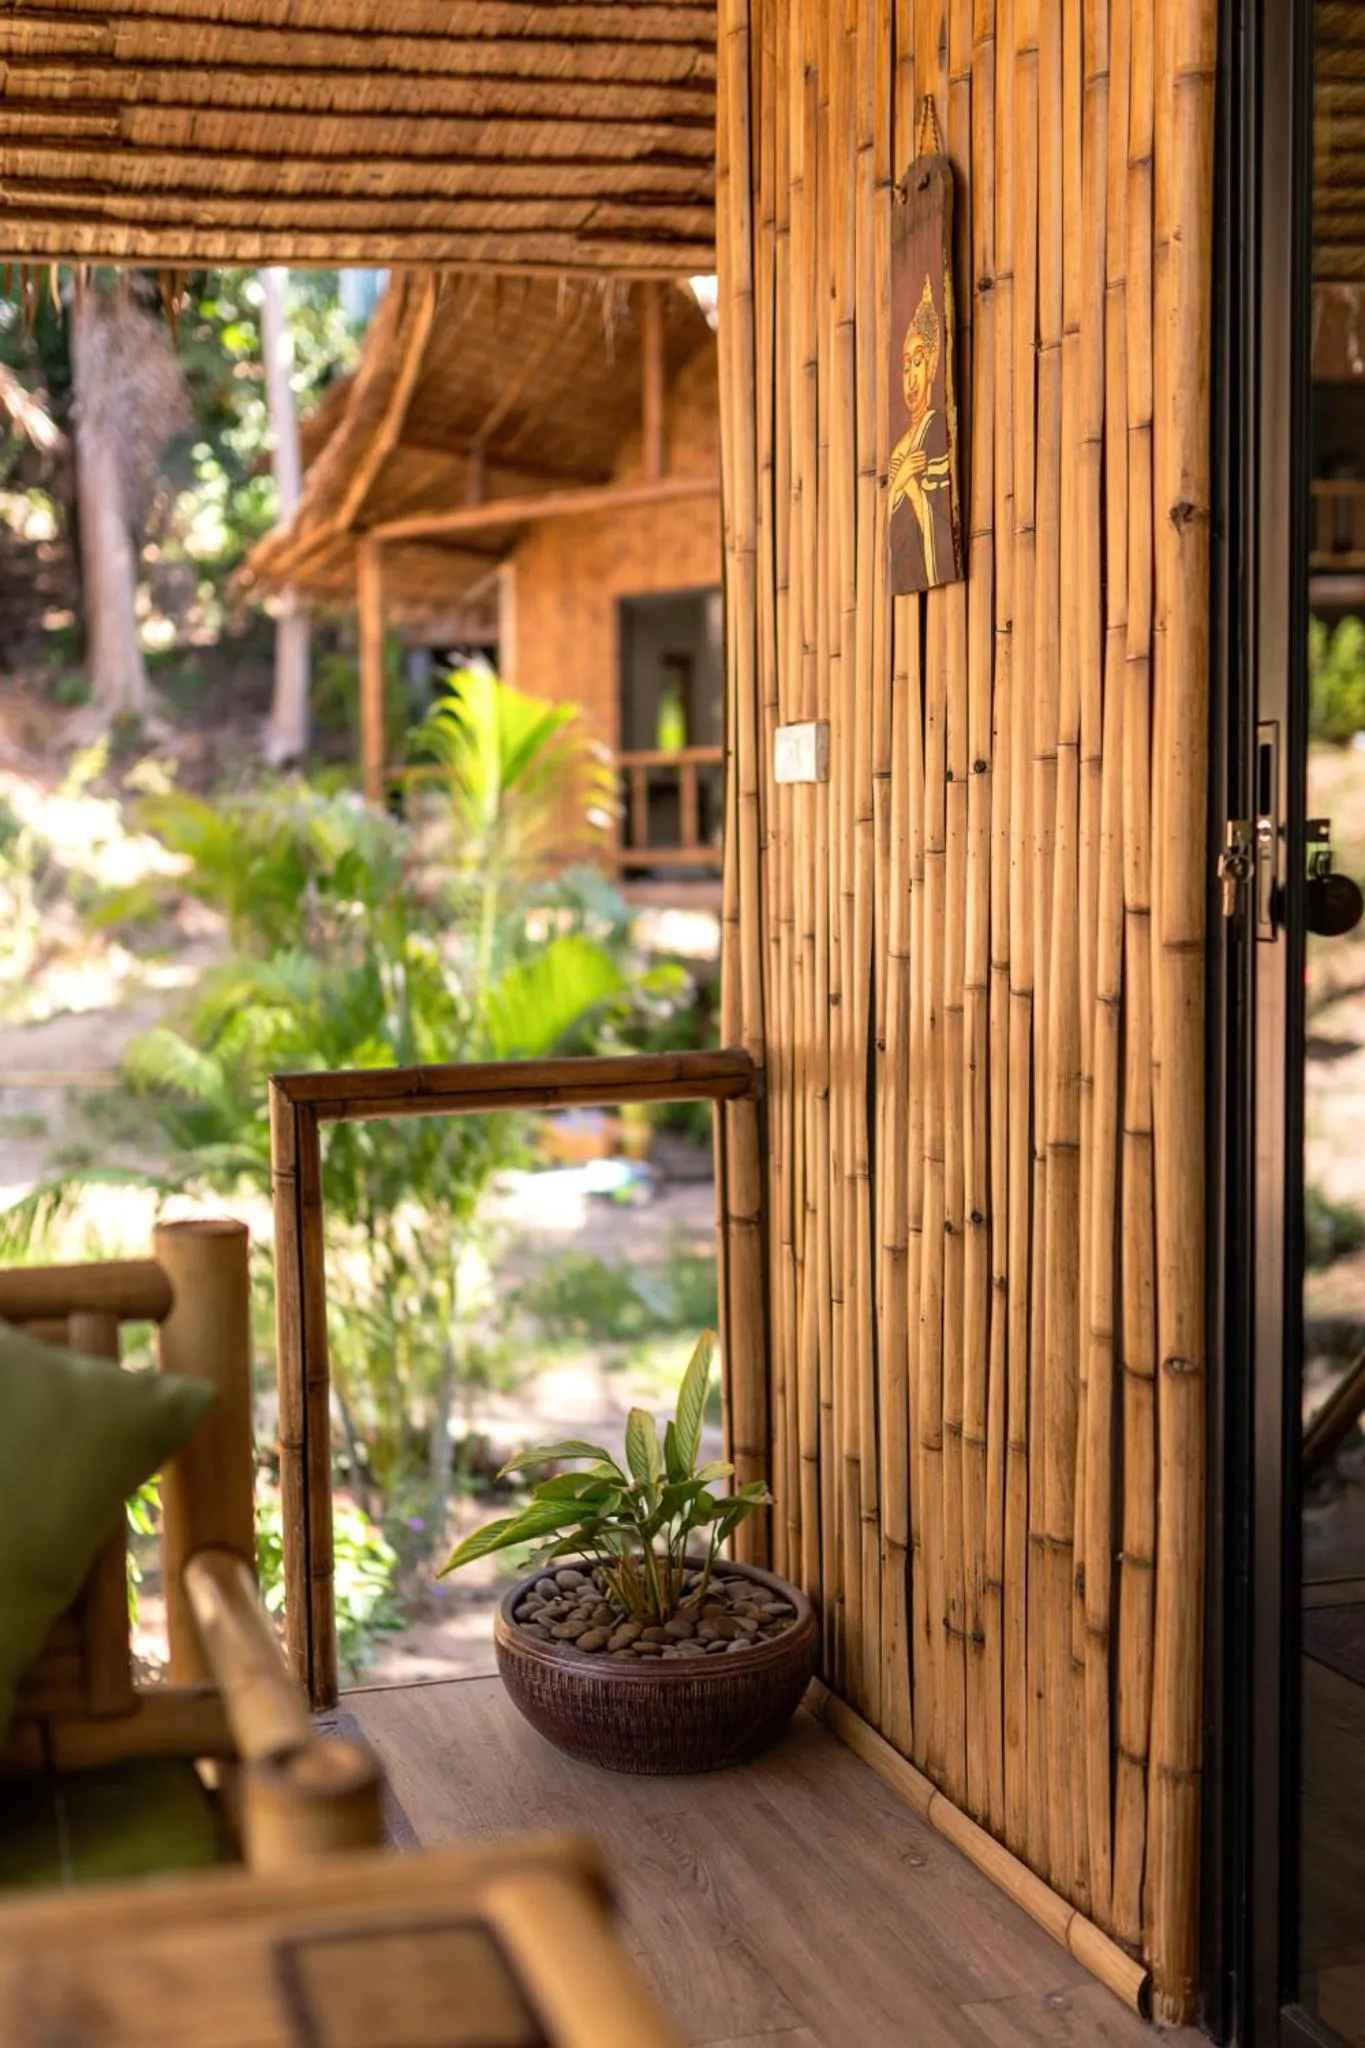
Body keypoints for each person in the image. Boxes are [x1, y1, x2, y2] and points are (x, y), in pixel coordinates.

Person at [889, 273, 957, 589]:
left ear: (931, 367)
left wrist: (910, 488)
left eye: (917, 363)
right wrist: (898, 483)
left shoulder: (933, 433)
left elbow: (941, 531)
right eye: (905, 367)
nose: (911, 378)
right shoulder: (901, 447)